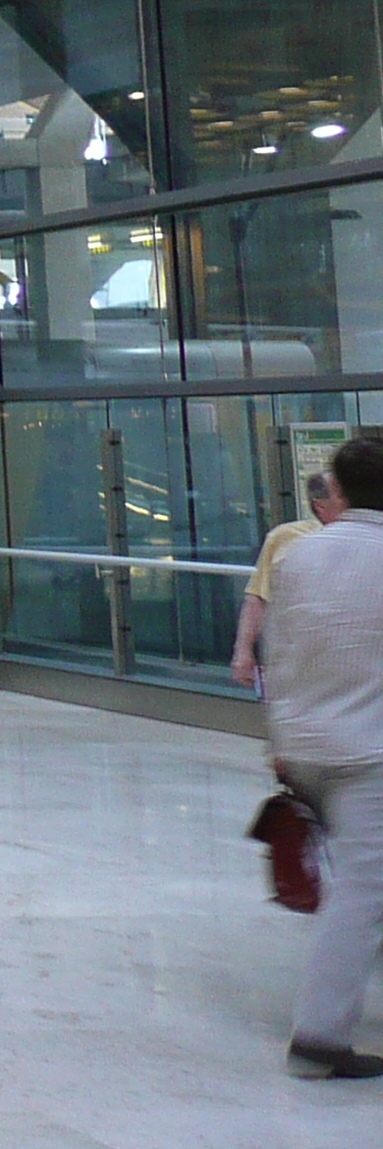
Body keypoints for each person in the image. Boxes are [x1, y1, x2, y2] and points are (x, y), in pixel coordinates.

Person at [265, 430, 383, 1078]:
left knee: (362, 885)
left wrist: (279, 741)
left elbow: (278, 655)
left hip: (306, 743)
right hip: (367, 751)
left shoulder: (303, 556)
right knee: (364, 889)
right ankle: (319, 1037)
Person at [238, 472, 350, 687]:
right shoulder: (285, 538)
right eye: (343, 496)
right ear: (320, 506)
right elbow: (257, 598)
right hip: (299, 661)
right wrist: (243, 651)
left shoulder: (372, 540)